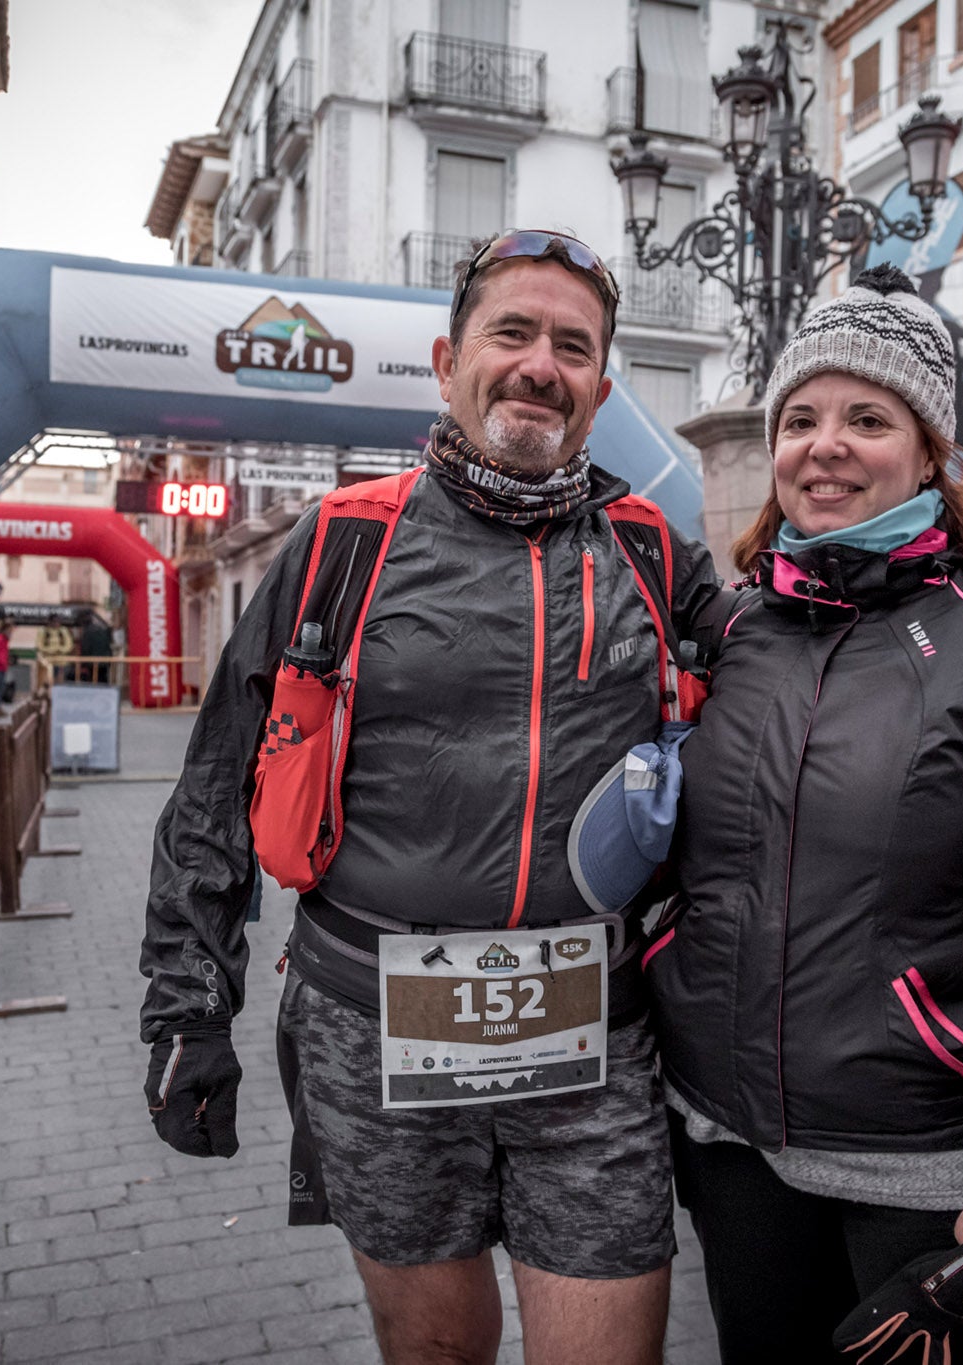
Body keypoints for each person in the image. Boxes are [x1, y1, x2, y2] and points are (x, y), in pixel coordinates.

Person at [139, 230, 721, 1365]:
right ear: (448, 360)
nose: (538, 365)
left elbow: (789, 694)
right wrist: (185, 1011)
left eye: (571, 346)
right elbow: (212, 787)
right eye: (512, 332)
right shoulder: (345, 541)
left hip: (592, 1047)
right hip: (372, 1034)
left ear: (600, 390)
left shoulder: (654, 554)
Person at [645, 266, 963, 1364]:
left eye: (866, 418)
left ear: (930, 452)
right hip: (730, 1150)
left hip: (925, 1172)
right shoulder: (738, 632)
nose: (821, 444)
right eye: (799, 418)